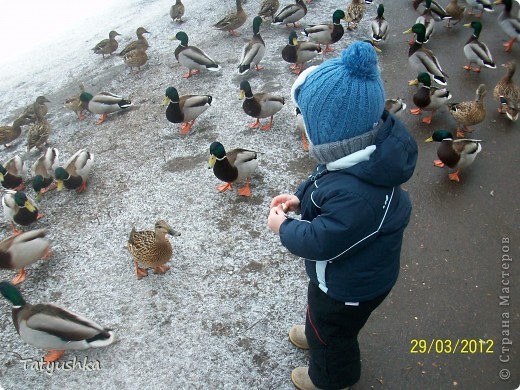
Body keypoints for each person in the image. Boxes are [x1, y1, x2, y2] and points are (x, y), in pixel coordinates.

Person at [267, 41, 418, 390]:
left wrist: (285, 227)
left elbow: (323, 240)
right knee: (319, 312)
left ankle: (331, 377)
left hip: (349, 287)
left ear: (332, 134)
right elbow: (324, 182)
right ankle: (315, 332)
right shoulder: (358, 158)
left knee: (334, 335)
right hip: (341, 279)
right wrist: (301, 200)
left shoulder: (357, 195)